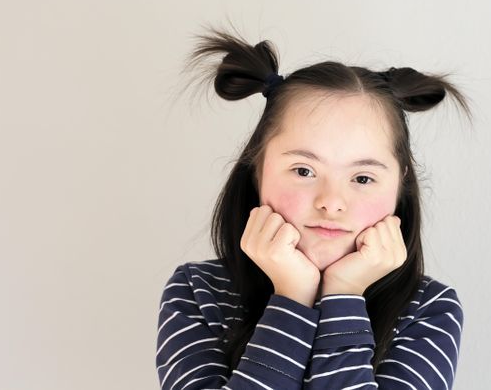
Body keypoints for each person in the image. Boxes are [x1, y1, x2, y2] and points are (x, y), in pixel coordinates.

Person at [156, 26, 472, 390]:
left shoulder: (428, 310)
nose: (331, 202)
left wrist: (344, 295)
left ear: (400, 184)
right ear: (256, 170)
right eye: (304, 170)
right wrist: (291, 296)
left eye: (363, 178)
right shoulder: (198, 291)